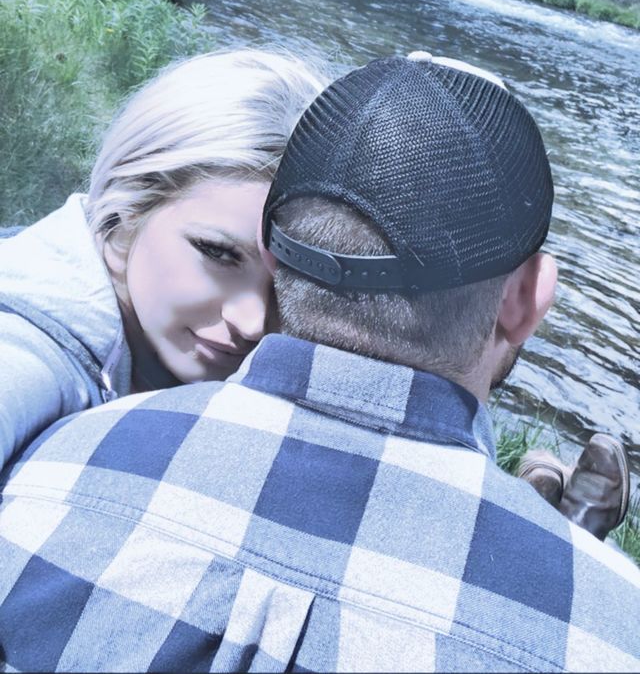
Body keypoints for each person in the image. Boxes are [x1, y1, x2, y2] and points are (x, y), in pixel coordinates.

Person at [1, 53, 638, 672]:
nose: (252, 321)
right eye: (217, 253)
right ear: (121, 214)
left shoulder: (58, 465)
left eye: (278, 276)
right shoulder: (30, 365)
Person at [0, 48, 328, 470]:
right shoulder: (30, 349)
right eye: (218, 253)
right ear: (127, 207)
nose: (252, 322)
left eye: (289, 284)